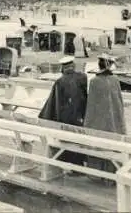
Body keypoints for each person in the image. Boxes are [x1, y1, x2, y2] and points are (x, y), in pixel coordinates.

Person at [84, 54, 126, 185]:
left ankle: (97, 175)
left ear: (99, 65)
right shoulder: (115, 80)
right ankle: (112, 175)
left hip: (99, 120)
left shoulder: (94, 82)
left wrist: (88, 122)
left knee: (99, 145)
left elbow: (91, 104)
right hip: (114, 119)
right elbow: (119, 101)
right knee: (113, 145)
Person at [39, 56, 88, 166]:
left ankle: (67, 164)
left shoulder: (60, 82)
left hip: (65, 118)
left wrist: (44, 115)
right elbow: (86, 96)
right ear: (73, 66)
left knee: (66, 140)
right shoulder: (83, 77)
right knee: (78, 139)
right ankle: (78, 164)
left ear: (63, 68)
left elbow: (54, 102)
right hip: (80, 116)